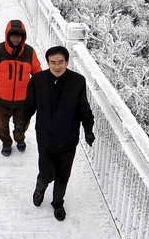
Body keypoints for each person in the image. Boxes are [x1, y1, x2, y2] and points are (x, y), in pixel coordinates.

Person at [19, 46, 94, 221]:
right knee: (47, 172)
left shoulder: (78, 81)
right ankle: (40, 187)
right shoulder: (37, 81)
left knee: (63, 174)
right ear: (48, 63)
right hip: (45, 137)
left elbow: (83, 108)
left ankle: (58, 203)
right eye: (53, 62)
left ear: (67, 62)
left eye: (61, 62)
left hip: (68, 139)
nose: (57, 66)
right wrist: (22, 123)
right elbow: (29, 106)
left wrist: (88, 129)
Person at [0, 21, 42, 157]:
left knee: (22, 122)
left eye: (19, 35)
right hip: (2, 99)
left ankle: (19, 139)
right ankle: (6, 143)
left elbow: (37, 72)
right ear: (7, 35)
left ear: (23, 36)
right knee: (2, 125)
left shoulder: (29, 52)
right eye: (13, 35)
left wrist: (42, 90)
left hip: (23, 99)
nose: (16, 38)